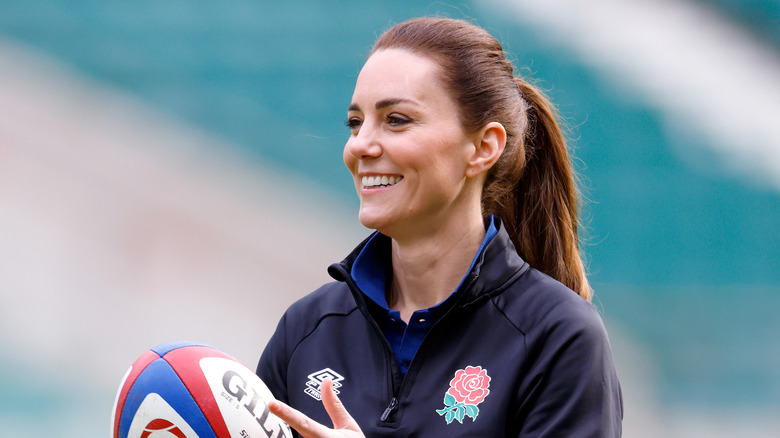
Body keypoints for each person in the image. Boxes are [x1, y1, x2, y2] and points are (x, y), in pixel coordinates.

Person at [256, 16, 623, 437]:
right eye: (355, 123)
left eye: (396, 119)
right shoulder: (307, 328)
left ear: (483, 148)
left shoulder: (558, 336)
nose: (360, 145)